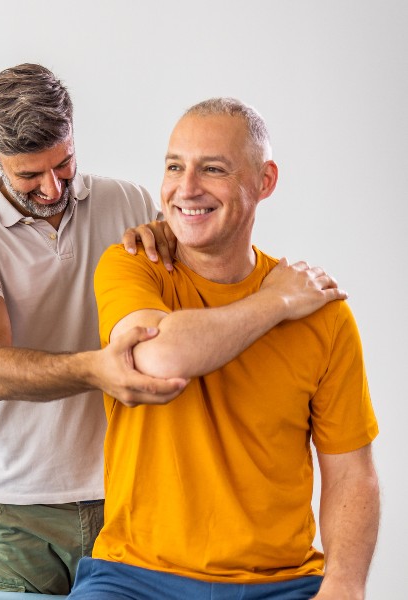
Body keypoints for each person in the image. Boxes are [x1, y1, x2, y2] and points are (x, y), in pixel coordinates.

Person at [70, 98, 380, 599]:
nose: (186, 188)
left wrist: (344, 584)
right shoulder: (132, 267)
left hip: (281, 583)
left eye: (212, 169)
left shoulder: (324, 315)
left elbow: (351, 470)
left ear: (265, 181)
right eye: (175, 166)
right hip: (132, 577)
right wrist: (276, 301)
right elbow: (157, 357)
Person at [0, 63, 189, 595]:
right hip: (19, 508)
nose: (52, 188)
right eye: (30, 175)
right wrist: (99, 369)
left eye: (64, 164)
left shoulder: (131, 203)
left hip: (128, 492)